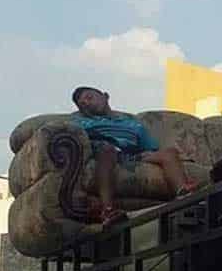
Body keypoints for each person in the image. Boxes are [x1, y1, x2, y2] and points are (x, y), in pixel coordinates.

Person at [71, 86, 195, 226]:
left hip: (133, 156)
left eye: (89, 97)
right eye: (82, 104)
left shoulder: (132, 124)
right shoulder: (81, 121)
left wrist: (150, 153)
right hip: (106, 154)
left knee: (169, 153)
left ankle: (185, 197)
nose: (87, 103)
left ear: (105, 96)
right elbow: (76, 135)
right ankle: (108, 210)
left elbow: (150, 148)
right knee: (107, 149)